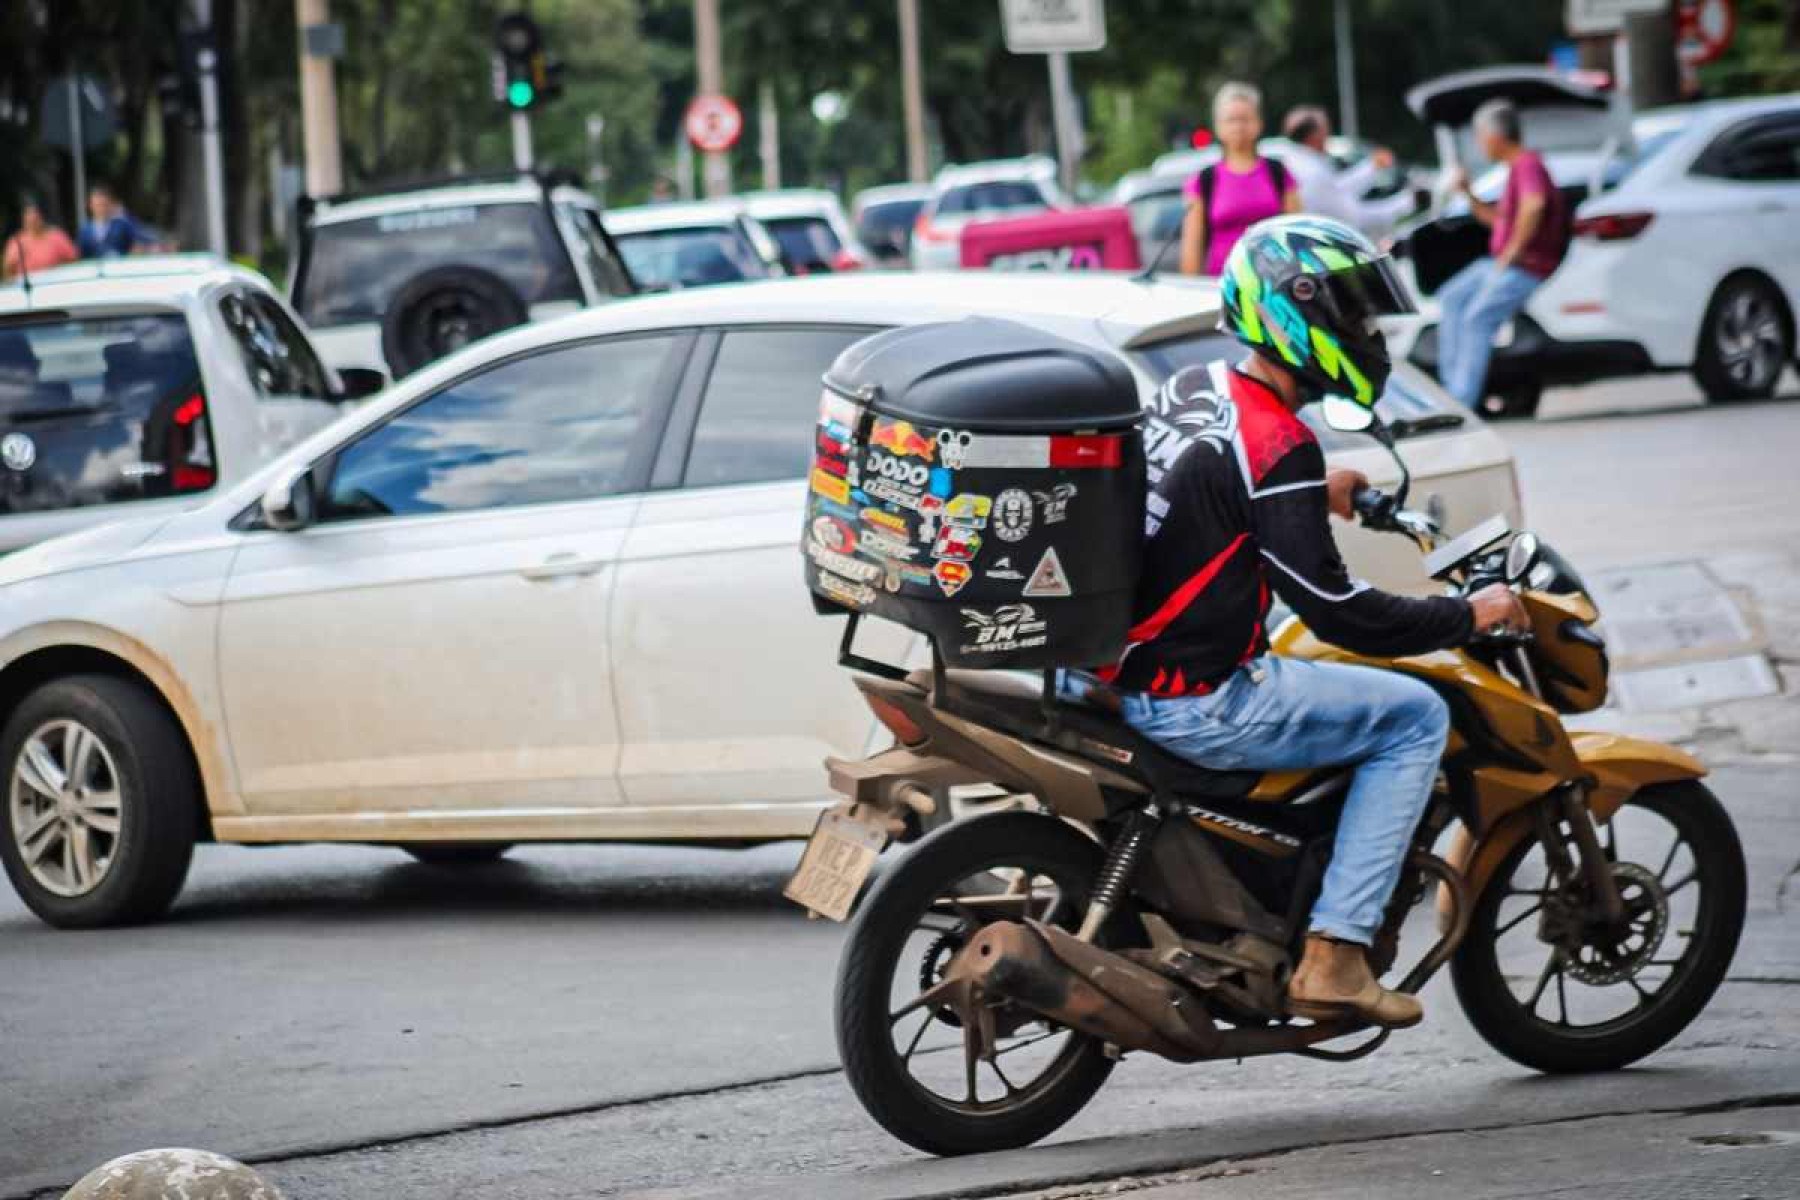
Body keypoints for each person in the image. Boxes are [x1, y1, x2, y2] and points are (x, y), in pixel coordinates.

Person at [1092, 215, 1526, 1029]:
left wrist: (1313, 487)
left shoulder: (1198, 388)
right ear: (1301, 316)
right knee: (1414, 715)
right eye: (1352, 314)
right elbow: (1339, 611)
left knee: (1309, 665)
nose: (1365, 333)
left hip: (1125, 661)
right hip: (1195, 698)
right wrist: (1466, 613)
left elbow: (1210, 487)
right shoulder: (1279, 443)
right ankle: (1335, 955)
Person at [1435, 99, 1568, 411]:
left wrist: (1512, 251)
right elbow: (1497, 220)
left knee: (1476, 319)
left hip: (1526, 265)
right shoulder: (1514, 171)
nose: (1480, 145)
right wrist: (1468, 193)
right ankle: (1447, 390)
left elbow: (1534, 206)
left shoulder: (1527, 165)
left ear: (1495, 136)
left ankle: (1459, 401)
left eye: (1480, 137)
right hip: (1501, 262)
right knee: (1451, 297)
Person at [1180, 82, 1299, 277]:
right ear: (1218, 126)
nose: (1238, 126)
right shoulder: (1203, 181)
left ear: (1259, 123)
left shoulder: (1278, 172)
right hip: (1222, 287)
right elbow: (1192, 249)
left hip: (1276, 286)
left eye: (1245, 119)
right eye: (1231, 120)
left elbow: (1297, 235)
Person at [1280, 105, 1421, 240]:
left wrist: (1372, 167)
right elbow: (1351, 217)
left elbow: (1336, 188)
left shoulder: (1300, 161)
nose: (1328, 134)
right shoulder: (1311, 171)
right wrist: (1407, 202)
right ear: (1313, 135)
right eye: (1325, 129)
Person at [76, 183, 163, 259]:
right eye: (97, 205)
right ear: (91, 205)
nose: (101, 208)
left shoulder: (121, 225)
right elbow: (81, 255)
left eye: (104, 204)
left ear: (110, 204)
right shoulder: (85, 231)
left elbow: (140, 240)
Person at [2, 197, 79, 280]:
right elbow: (7, 272)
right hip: (27, 286)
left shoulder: (57, 236)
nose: (33, 220)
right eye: (29, 217)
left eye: (36, 217)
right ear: (24, 220)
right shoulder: (16, 241)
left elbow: (74, 261)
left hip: (55, 283)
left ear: (42, 217)